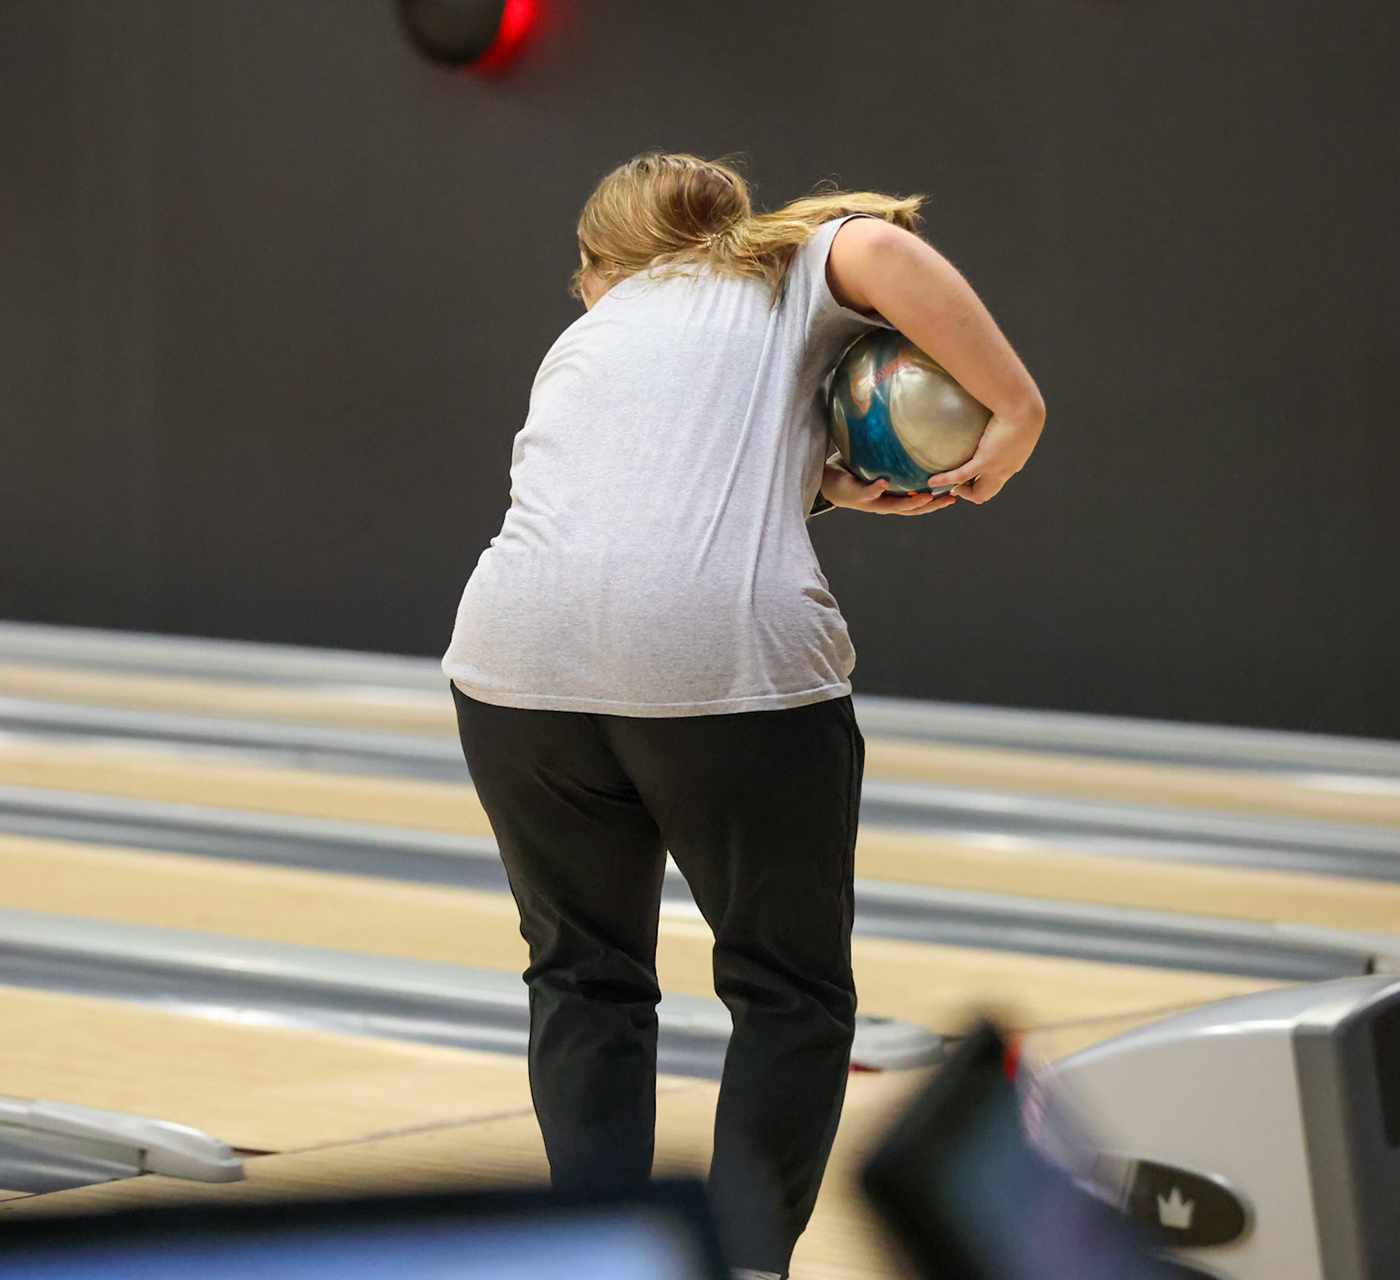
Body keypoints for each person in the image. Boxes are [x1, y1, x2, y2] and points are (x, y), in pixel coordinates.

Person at [442, 153, 1046, 1279]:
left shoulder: (591, 334)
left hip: (512, 658)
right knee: (789, 988)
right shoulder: (776, 269)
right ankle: (746, 1264)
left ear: (598, 265)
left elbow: (645, 489)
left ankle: (604, 1256)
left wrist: (815, 483)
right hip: (718, 657)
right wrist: (1019, 408)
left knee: (583, 976)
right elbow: (877, 245)